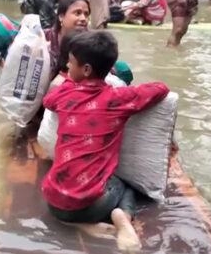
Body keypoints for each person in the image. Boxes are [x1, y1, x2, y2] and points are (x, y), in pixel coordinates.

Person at [42, 31, 170, 250]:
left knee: (63, 200)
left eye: (70, 63)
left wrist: (67, 83)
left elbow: (47, 100)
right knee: (126, 186)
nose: (67, 67)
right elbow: (161, 89)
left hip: (54, 202)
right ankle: (123, 218)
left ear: (86, 69)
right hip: (94, 205)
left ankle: (81, 225)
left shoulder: (65, 95)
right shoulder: (118, 98)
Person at [44, 0, 90, 79]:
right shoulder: (43, 38)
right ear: (61, 17)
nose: (83, 18)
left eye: (86, 14)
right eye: (77, 13)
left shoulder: (92, 43)